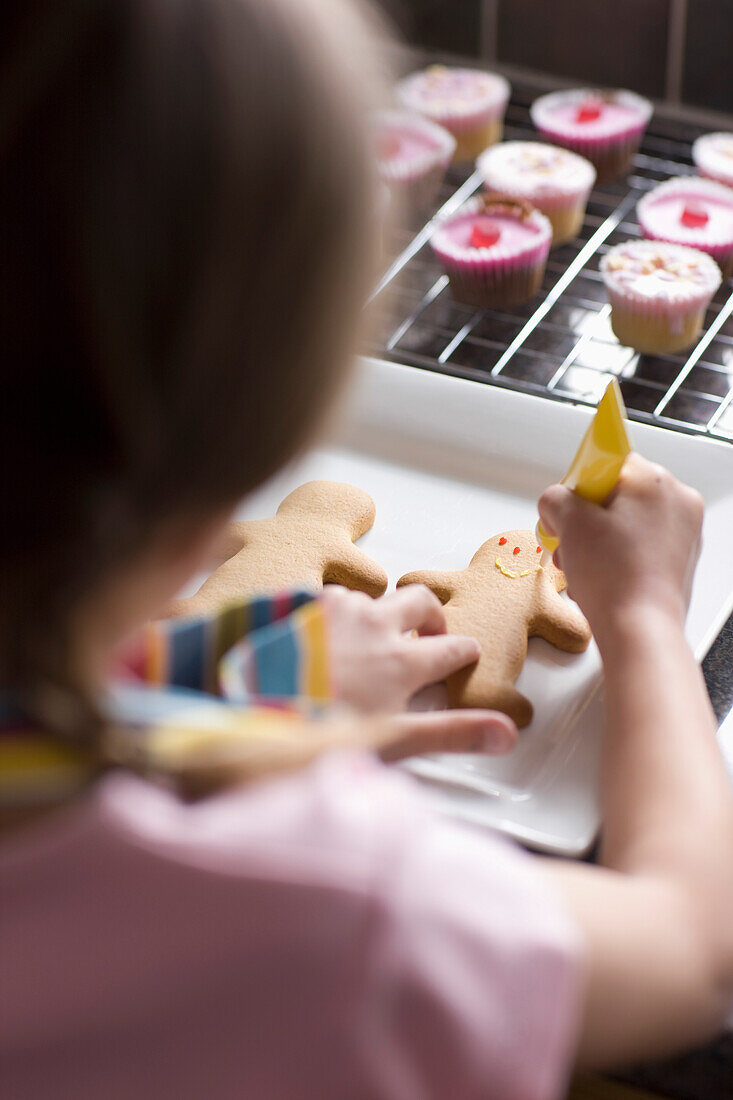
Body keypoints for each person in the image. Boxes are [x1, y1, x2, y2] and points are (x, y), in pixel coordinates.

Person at [1, 2, 732, 1098]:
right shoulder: (332, 904)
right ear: (260, 426)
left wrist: (254, 696)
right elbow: (687, 950)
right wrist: (640, 618)